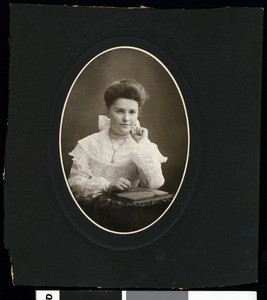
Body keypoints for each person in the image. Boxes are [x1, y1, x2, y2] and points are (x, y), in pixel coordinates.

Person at [68, 79, 167, 201]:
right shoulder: (88, 143)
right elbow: (75, 183)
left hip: (130, 212)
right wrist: (106, 186)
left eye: (132, 112)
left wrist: (142, 143)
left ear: (137, 114)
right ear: (108, 112)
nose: (126, 118)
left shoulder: (142, 146)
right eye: (120, 111)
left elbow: (154, 184)